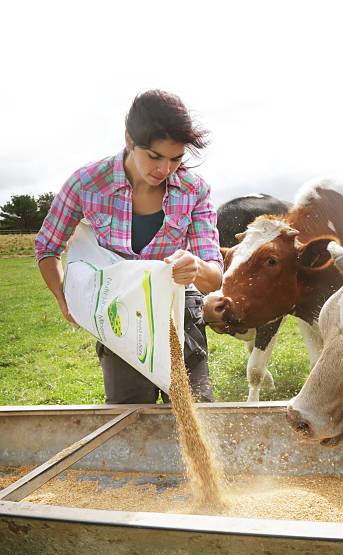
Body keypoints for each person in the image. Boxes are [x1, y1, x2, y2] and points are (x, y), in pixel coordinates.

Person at [35, 90, 223, 404]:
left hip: (179, 311)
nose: (165, 169)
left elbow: (213, 276)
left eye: (175, 159)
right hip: (119, 312)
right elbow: (47, 247)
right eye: (154, 156)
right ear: (129, 140)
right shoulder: (87, 183)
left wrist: (196, 266)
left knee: (196, 408)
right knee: (129, 415)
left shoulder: (195, 190)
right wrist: (63, 299)